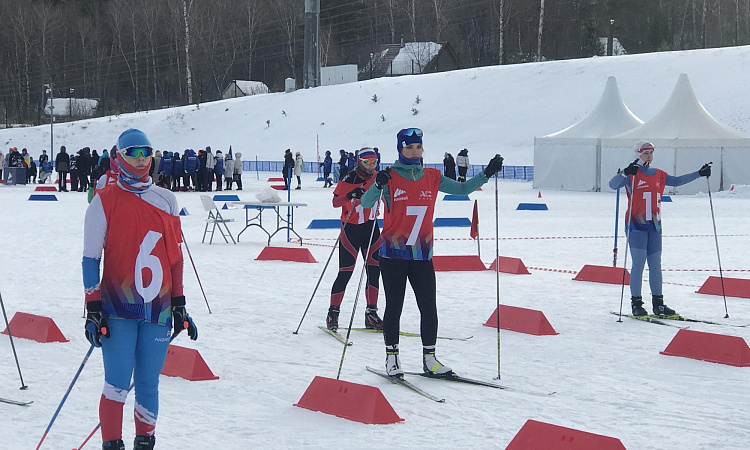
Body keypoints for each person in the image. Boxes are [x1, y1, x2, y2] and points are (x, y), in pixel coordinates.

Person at [82, 128, 197, 450]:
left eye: (146, 151)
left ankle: (145, 443)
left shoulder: (166, 199)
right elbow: (90, 259)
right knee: (117, 385)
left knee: (148, 384)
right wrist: (93, 309)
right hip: (117, 309)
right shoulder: (103, 201)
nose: (141, 158)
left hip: (158, 308)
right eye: (132, 152)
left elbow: (175, 259)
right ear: (119, 156)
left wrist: (179, 304)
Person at [361, 128, 503, 378]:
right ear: (400, 149)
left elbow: (462, 189)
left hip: (422, 256)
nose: (414, 152)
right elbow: (366, 202)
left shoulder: (432, 176)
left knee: (429, 307)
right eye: (409, 147)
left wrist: (486, 174)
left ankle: (430, 358)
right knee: (394, 307)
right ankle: (392, 358)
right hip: (393, 255)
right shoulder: (389, 176)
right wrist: (377, 184)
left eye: (418, 147)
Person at [609, 141, 711, 317]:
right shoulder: (632, 174)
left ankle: (659, 304)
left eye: (651, 152)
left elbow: (677, 181)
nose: (649, 156)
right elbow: (612, 184)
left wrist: (699, 174)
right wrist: (625, 172)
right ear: (638, 154)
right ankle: (636, 304)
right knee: (639, 264)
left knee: (655, 265)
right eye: (645, 153)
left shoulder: (659, 174)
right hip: (636, 225)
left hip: (655, 225)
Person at [326, 148, 384, 332]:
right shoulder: (349, 178)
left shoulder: (378, 178)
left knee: (374, 271)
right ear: (359, 161)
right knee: (345, 271)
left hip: (371, 227)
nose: (371, 166)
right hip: (351, 229)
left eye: (374, 162)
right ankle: (333, 313)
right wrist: (349, 195)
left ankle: (371, 313)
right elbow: (335, 202)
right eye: (367, 162)